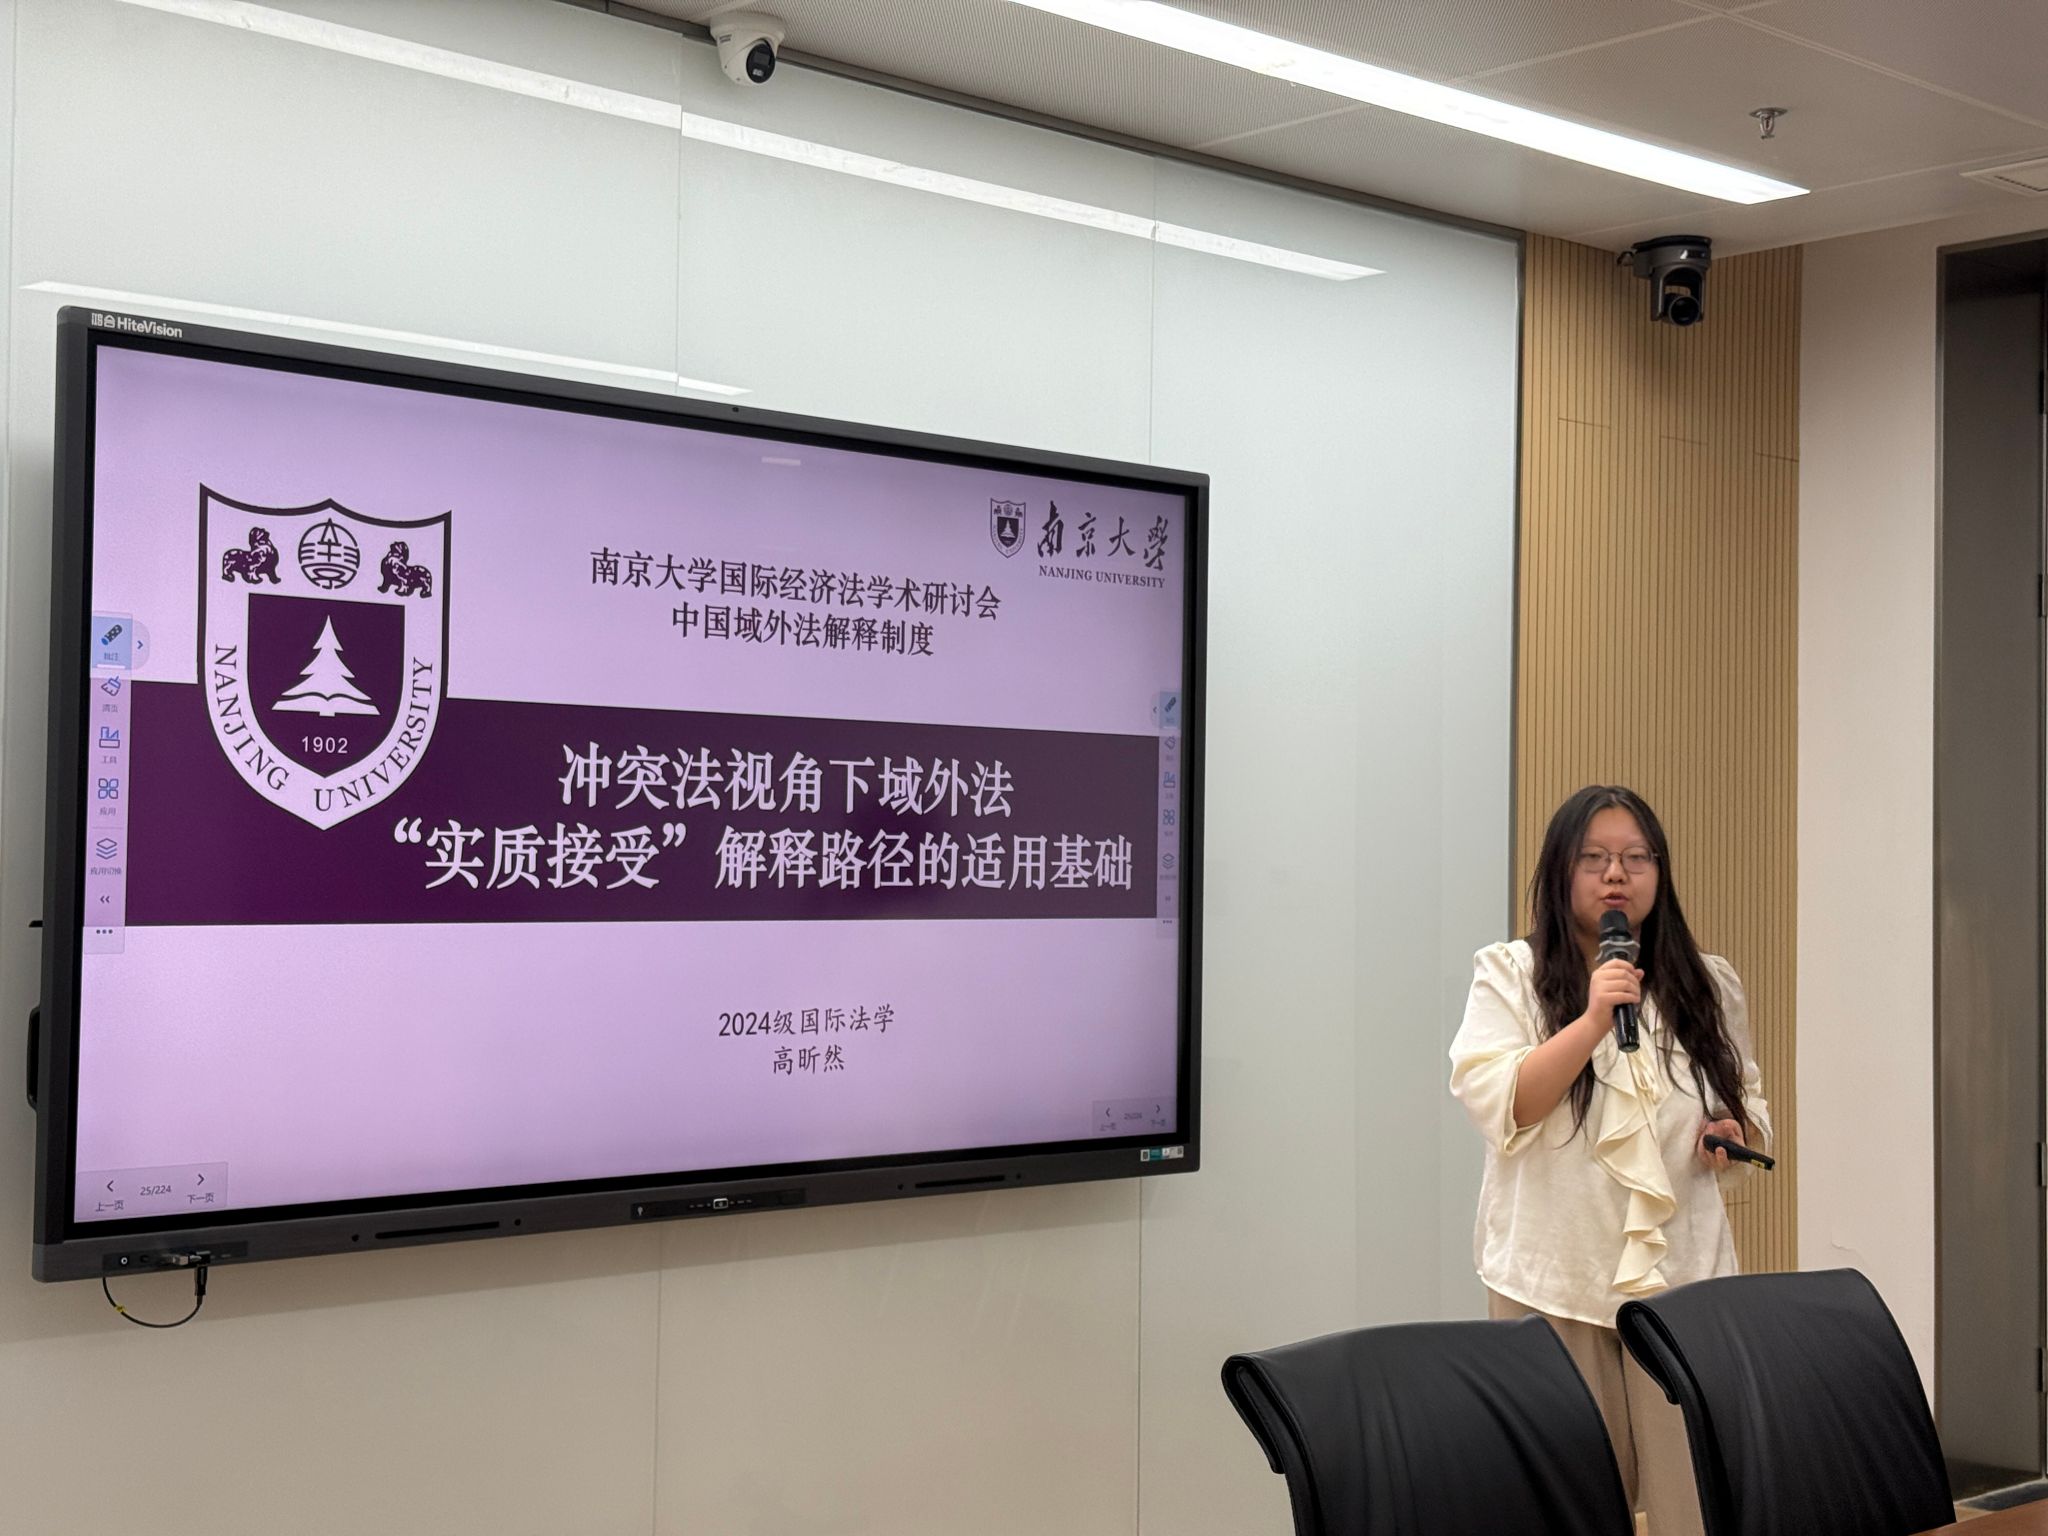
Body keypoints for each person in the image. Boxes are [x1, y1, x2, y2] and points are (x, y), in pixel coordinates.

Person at [1449, 785, 1772, 1536]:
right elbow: (1507, 1103)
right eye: (1594, 859)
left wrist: (1730, 1130)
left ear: (1660, 872)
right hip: (1553, 1281)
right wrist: (1595, 1017)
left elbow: (1747, 1098)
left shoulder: (1708, 982)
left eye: (1635, 858)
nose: (1616, 874)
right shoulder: (1510, 973)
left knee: (1698, 1500)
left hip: (1682, 1281)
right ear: (1560, 871)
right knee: (1570, 1504)